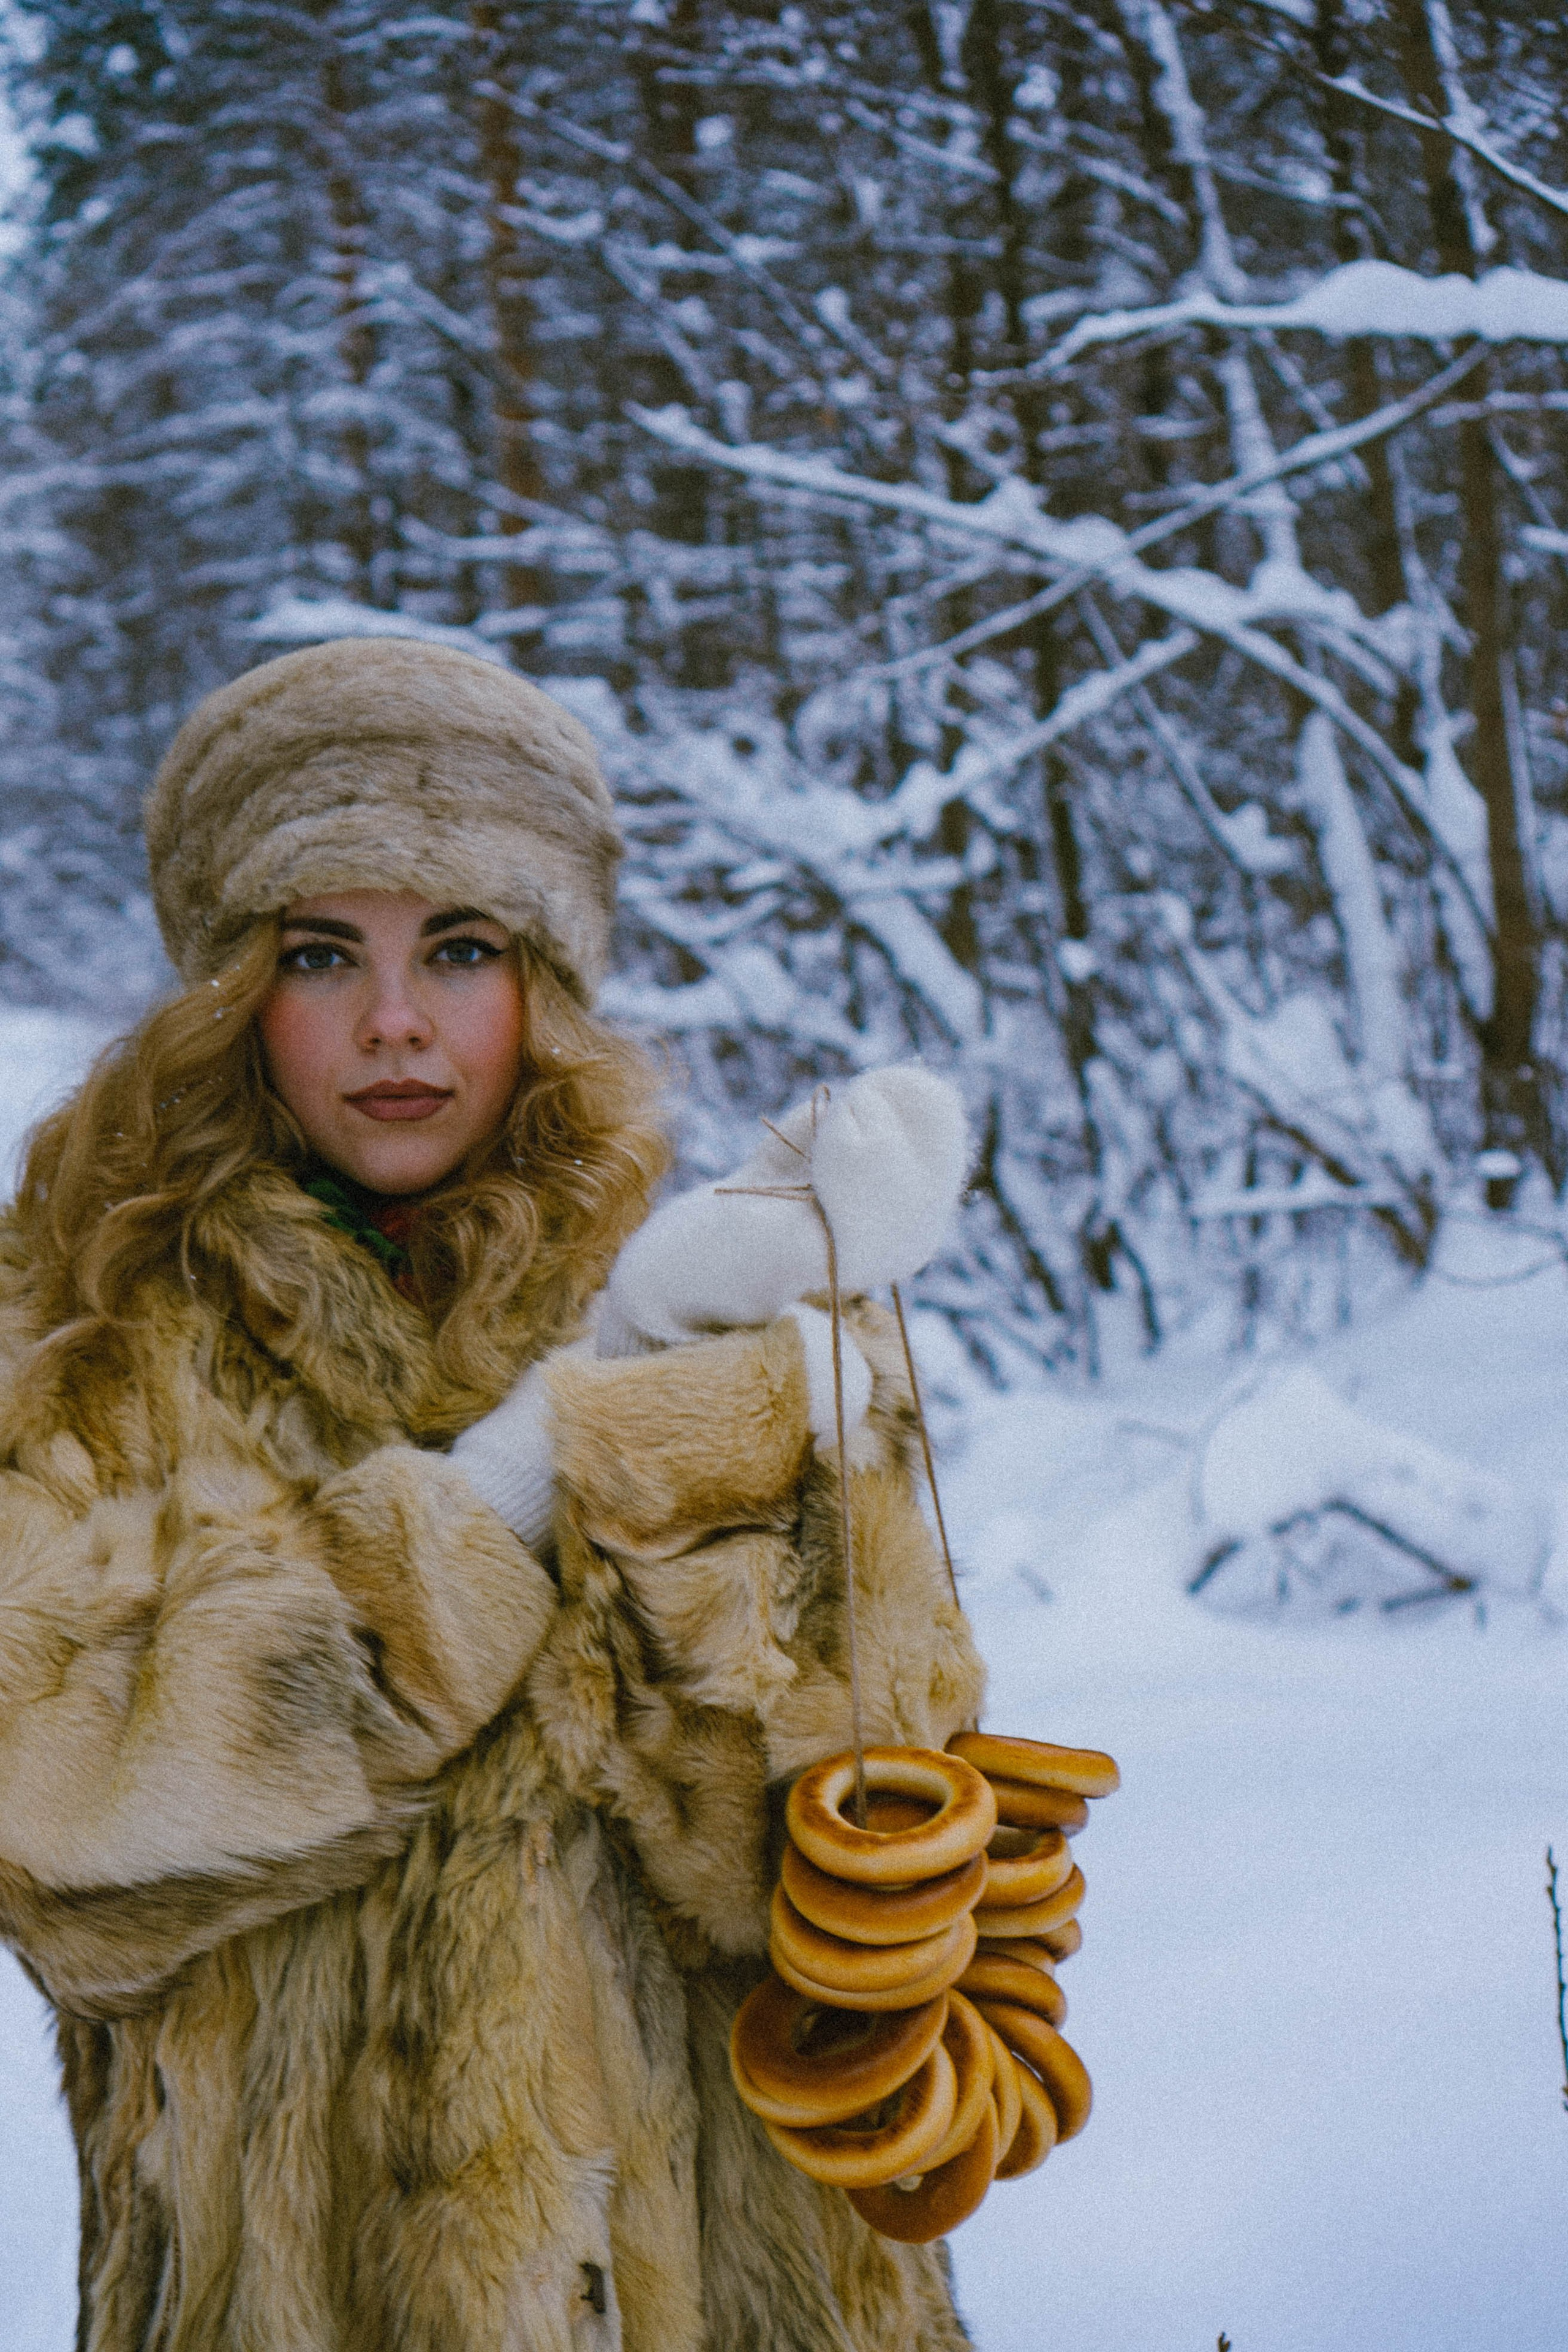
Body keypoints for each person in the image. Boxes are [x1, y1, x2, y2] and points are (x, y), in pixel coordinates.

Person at [0, 639, 986, 2351]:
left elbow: (855, 1911)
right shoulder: (89, 1343)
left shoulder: (716, 1303)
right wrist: (510, 1492)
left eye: (459, 949)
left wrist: (723, 1433)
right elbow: (56, 1820)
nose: (396, 1022)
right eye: (326, 954)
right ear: (238, 989)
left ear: (543, 980)